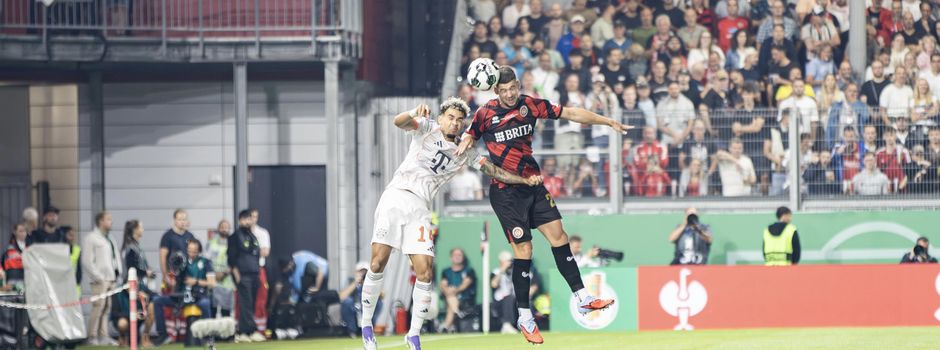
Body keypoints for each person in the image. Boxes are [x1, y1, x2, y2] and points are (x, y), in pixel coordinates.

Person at [457, 66, 621, 345]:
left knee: (560, 237)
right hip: (505, 192)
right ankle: (525, 315)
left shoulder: (530, 105)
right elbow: (470, 134)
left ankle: (582, 298)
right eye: (504, 90)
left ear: (519, 85)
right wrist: (464, 141)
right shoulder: (485, 114)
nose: (509, 94)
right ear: (495, 89)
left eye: (513, 88)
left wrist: (606, 121)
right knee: (525, 250)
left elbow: (570, 113)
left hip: (533, 184)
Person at [360, 98, 541, 350]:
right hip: (396, 197)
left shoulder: (465, 150)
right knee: (378, 262)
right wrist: (413, 111)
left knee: (425, 271)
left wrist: (523, 180)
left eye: (459, 120)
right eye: (451, 118)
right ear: (442, 118)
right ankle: (367, 327)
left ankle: (413, 335)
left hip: (421, 209)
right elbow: (398, 121)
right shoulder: (426, 127)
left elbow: (493, 171)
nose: (454, 123)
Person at [81, 211, 121, 346]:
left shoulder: (110, 238)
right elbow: (87, 261)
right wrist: (98, 277)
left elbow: (115, 257)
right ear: (100, 222)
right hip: (100, 280)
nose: (111, 222)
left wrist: (117, 273)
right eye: (108, 219)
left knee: (107, 308)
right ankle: (92, 336)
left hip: (111, 278)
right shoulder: (91, 238)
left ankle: (104, 336)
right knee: (98, 307)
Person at [228, 210, 266, 343]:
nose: (248, 222)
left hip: (255, 274)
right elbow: (231, 258)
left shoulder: (252, 236)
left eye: (249, 219)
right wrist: (236, 274)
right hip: (242, 275)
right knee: (245, 304)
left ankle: (248, 331)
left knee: (251, 303)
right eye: (245, 219)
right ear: (240, 220)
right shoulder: (235, 236)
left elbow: (256, 256)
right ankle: (246, 331)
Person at [120, 219, 156, 347]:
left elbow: (139, 266)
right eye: (141, 227)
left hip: (141, 285)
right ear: (135, 229)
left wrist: (147, 271)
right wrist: (146, 273)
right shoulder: (130, 248)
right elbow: (131, 269)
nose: (143, 229)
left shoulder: (136, 245)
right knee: (138, 313)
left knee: (152, 306)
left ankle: (144, 337)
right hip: (132, 287)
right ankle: (126, 338)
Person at [439, 248, 476, 333]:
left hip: (464, 298)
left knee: (451, 298)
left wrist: (453, 291)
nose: (457, 257)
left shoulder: (469, 270)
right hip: (449, 298)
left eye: (459, 255)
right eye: (455, 255)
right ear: (451, 257)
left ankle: (446, 326)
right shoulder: (446, 271)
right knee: (450, 297)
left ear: (463, 257)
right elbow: (443, 285)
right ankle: (457, 313)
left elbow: (465, 285)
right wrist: (448, 291)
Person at [160, 209, 196, 291]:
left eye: (184, 219)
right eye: (180, 219)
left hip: (186, 277)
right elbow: (162, 257)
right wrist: (165, 275)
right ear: (174, 220)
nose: (182, 222)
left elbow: (194, 256)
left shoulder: (190, 236)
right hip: (172, 277)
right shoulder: (167, 236)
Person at [339, 262, 378, 338]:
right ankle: (352, 330)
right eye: (361, 272)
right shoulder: (349, 281)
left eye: (365, 272)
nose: (363, 274)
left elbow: (382, 295)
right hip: (353, 308)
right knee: (347, 302)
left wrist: (368, 283)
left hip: (365, 307)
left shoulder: (370, 282)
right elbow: (341, 297)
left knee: (378, 303)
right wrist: (355, 283)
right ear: (356, 272)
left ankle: (369, 328)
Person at [204, 220, 234, 317]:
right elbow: (206, 260)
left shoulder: (233, 243)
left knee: (226, 312)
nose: (224, 229)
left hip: (227, 282)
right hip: (213, 281)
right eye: (222, 227)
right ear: (218, 228)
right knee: (212, 310)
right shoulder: (211, 242)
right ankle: (213, 332)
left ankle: (227, 332)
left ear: (229, 229)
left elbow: (235, 261)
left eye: (226, 227)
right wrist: (214, 274)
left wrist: (224, 273)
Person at [249, 209, 270, 333]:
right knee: (244, 301)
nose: (253, 219)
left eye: (255, 216)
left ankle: (260, 330)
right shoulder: (241, 234)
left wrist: (249, 252)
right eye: (251, 216)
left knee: (261, 299)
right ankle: (245, 330)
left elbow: (265, 252)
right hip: (245, 271)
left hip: (259, 269)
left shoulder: (262, 233)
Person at [0, 223, 27, 292]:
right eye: (20, 231)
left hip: (27, 282)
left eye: (24, 231)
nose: (23, 233)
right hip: (12, 283)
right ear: (15, 232)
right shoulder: (8, 249)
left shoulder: (30, 248)